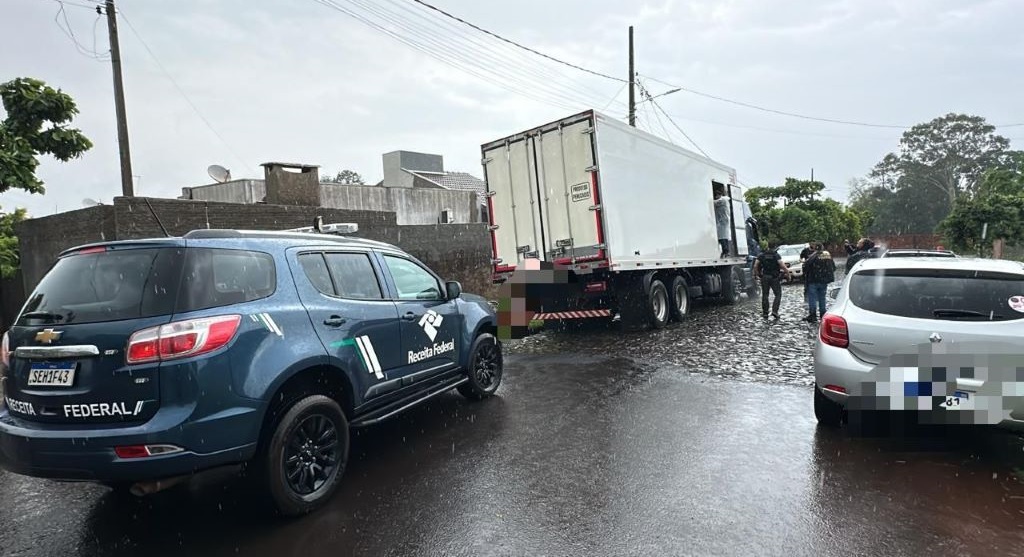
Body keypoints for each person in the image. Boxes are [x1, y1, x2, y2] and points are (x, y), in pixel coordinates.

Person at [753, 242, 793, 320]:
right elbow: (782, 265)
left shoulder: (761, 255)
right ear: (775, 247)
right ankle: (775, 311)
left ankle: (765, 313)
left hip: (765, 277)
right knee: (778, 294)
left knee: (765, 295)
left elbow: (755, 265)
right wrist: (788, 274)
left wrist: (757, 274)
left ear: (768, 246)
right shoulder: (776, 255)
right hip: (774, 278)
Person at [803, 242, 836, 323]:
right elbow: (833, 267)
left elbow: (806, 266)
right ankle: (822, 313)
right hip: (824, 280)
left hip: (813, 280)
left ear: (815, 248)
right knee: (822, 297)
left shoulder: (813, 256)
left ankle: (813, 315)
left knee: (812, 298)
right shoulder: (827, 255)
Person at [713, 191, 731, 258]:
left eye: (716, 196)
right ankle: (725, 251)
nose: (716, 197)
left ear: (719, 195)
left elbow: (714, 202)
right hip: (722, 221)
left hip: (723, 221)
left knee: (722, 237)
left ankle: (726, 251)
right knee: (724, 237)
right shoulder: (724, 200)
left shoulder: (723, 200)